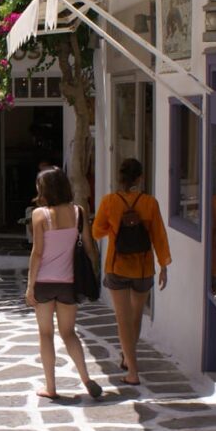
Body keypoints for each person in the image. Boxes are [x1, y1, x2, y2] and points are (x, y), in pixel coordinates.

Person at [92, 158, 171, 386]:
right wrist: (163, 265)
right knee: (136, 317)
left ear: (120, 178)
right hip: (144, 269)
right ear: (140, 178)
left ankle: (132, 370)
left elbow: (97, 232)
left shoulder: (109, 201)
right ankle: (128, 357)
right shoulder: (149, 203)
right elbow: (159, 236)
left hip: (117, 267)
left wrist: (115, 227)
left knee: (122, 319)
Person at [25, 166, 102, 400]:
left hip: (45, 282)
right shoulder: (78, 212)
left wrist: (30, 286)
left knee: (45, 334)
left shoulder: (40, 215)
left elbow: (37, 253)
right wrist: (94, 273)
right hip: (69, 283)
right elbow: (90, 248)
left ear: (44, 189)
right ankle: (86, 378)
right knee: (69, 333)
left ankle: (51, 387)